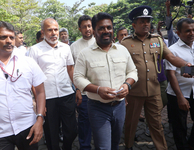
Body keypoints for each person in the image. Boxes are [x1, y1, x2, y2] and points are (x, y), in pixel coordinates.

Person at [121, 5, 193, 150]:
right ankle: (128, 146)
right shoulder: (125, 43)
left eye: (148, 21)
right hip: (134, 92)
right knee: (130, 124)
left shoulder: (157, 40)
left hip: (154, 92)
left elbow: (171, 57)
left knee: (157, 125)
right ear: (134, 24)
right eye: (142, 21)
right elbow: (120, 69)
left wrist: (187, 66)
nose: (146, 24)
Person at [73, 12, 138, 150]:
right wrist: (98, 90)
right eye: (101, 28)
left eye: (109, 27)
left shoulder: (122, 50)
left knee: (115, 144)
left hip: (119, 107)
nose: (106, 31)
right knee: (103, 147)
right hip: (97, 108)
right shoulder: (85, 54)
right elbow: (77, 78)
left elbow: (133, 71)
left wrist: (127, 85)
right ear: (95, 31)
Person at [29, 18, 82, 150]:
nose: (53, 33)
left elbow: (70, 69)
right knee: (51, 134)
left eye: (56, 29)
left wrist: (78, 89)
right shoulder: (35, 50)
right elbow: (31, 77)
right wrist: (38, 102)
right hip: (47, 98)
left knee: (72, 130)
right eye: (50, 30)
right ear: (43, 32)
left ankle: (67, 147)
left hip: (67, 94)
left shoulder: (65, 48)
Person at [0, 21, 46, 149]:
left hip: (27, 127)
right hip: (2, 133)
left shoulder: (28, 62)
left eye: (11, 37)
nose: (9, 41)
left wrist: (40, 119)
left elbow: (41, 91)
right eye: (3, 37)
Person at [166, 18, 194, 150]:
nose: (192, 33)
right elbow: (171, 74)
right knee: (180, 126)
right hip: (178, 94)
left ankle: (192, 144)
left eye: (193, 30)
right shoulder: (172, 50)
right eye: (187, 31)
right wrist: (180, 97)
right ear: (178, 33)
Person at [70, 15, 95, 150]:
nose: (87, 29)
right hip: (83, 93)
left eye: (89, 26)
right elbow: (71, 70)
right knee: (84, 122)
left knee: (99, 123)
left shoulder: (100, 42)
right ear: (80, 29)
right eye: (84, 27)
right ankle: (85, 147)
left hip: (100, 91)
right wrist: (77, 90)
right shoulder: (73, 47)